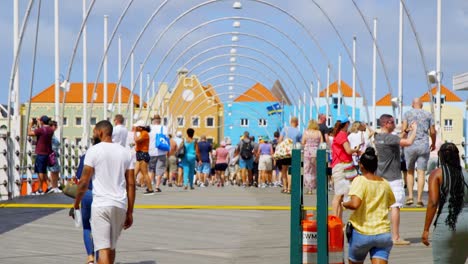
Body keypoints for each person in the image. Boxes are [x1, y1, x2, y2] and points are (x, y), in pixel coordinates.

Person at [73, 120, 135, 264]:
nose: (94, 134)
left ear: (100, 132)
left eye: (94, 131)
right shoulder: (125, 152)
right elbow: (131, 184)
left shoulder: (93, 151)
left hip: (101, 205)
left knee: (103, 250)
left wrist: (76, 203)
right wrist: (130, 212)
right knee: (111, 248)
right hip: (120, 204)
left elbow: (83, 182)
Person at [343, 147, 396, 264]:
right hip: (383, 233)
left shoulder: (360, 180)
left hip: (362, 233)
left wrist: (344, 204)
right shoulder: (384, 183)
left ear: (361, 165)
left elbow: (355, 203)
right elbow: (390, 203)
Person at [374, 114, 417, 245]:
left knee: (380, 207)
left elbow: (396, 140)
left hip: (380, 175)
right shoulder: (390, 137)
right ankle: (396, 237)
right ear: (387, 123)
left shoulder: (378, 137)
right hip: (393, 177)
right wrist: (414, 130)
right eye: (393, 122)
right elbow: (408, 143)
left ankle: (377, 234)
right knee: (395, 206)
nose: (394, 124)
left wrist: (405, 131)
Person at [421, 142, 468, 263]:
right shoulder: (466, 174)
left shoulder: (437, 173)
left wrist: (426, 229)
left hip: (448, 222)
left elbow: (432, 202)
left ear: (440, 156)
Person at [401, 98, 437, 207]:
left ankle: (411, 196)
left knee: (410, 171)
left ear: (412, 104)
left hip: (410, 145)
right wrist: (433, 143)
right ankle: (420, 199)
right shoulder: (428, 114)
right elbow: (432, 131)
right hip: (423, 145)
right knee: (421, 172)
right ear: (422, 105)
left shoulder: (407, 114)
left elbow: (404, 131)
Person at [330, 115, 359, 219]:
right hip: (342, 166)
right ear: (346, 124)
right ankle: (335, 218)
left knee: (340, 195)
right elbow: (348, 150)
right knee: (338, 195)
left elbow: (343, 151)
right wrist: (356, 149)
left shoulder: (337, 135)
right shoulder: (342, 135)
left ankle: (338, 219)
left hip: (339, 165)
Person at [27, 115, 54, 195]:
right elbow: (41, 131)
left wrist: (30, 124)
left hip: (41, 153)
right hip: (47, 152)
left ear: (42, 121)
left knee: (40, 171)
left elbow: (30, 133)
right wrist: (39, 123)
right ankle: (49, 186)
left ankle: (40, 189)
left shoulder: (41, 130)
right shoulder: (50, 130)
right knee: (44, 171)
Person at [277, 117, 302, 194]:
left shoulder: (285, 129)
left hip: (285, 152)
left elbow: (280, 140)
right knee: (290, 171)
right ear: (297, 122)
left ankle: (284, 187)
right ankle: (289, 188)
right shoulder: (298, 132)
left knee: (284, 170)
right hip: (293, 153)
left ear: (290, 122)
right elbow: (300, 143)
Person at [302, 119, 323, 194]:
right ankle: (314, 185)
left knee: (307, 169)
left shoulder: (306, 132)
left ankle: (309, 188)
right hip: (316, 152)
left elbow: (303, 142)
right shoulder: (318, 133)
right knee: (314, 170)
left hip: (307, 152)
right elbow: (322, 143)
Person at [148, 114, 168, 192]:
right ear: (160, 120)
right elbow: (167, 138)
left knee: (151, 169)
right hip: (161, 151)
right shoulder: (163, 128)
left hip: (151, 151)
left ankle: (150, 186)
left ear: (153, 120)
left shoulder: (149, 128)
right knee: (159, 169)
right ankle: (156, 186)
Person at [133, 120, 153, 195]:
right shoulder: (142, 133)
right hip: (140, 154)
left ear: (141, 128)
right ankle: (130, 187)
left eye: (137, 127)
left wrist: (134, 132)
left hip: (143, 154)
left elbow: (137, 140)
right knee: (134, 173)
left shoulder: (144, 133)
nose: (135, 128)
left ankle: (150, 189)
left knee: (145, 173)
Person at [47, 120, 62, 193]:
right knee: (53, 170)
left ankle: (54, 186)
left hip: (55, 154)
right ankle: (53, 186)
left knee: (56, 170)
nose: (56, 127)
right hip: (51, 154)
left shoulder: (52, 134)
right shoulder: (49, 133)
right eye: (55, 126)